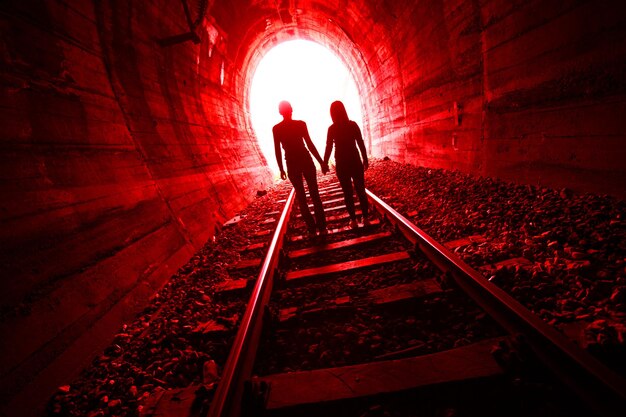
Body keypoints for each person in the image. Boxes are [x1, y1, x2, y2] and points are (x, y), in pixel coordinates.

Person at [273, 100, 329, 236]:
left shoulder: (277, 129)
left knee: (301, 197)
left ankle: (312, 229)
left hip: (291, 164)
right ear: (291, 110)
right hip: (306, 160)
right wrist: (321, 161)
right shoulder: (301, 124)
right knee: (315, 194)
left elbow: (278, 151)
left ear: (280, 112)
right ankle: (322, 228)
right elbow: (309, 144)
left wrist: (281, 168)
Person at [323, 100, 369, 229]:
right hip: (355, 160)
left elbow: (329, 147)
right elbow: (360, 143)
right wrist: (365, 159)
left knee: (347, 193)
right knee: (361, 190)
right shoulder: (353, 125)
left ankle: (353, 221)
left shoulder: (332, 129)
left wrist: (325, 162)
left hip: (342, 162)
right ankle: (365, 219)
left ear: (332, 114)